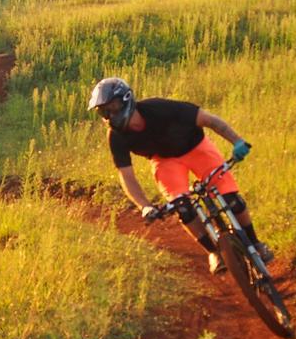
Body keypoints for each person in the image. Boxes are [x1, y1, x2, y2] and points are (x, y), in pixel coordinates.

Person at [88, 77, 274, 274]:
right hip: (165, 161)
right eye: (103, 111)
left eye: (113, 107)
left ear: (126, 99)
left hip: (197, 148)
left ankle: (256, 244)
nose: (109, 115)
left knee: (232, 200)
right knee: (182, 208)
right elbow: (126, 176)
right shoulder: (116, 136)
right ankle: (214, 252)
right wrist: (145, 206)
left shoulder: (160, 108)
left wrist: (237, 141)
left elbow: (209, 120)